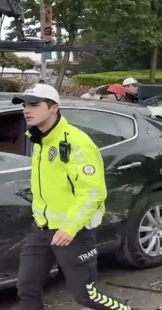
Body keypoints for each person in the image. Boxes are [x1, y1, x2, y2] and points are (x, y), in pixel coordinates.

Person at [11, 84, 134, 310]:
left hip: (73, 232)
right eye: (25, 105)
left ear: (54, 108)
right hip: (41, 228)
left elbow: (93, 191)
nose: (27, 110)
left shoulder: (76, 142)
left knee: (85, 296)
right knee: (27, 287)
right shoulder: (39, 138)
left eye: (34, 104)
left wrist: (70, 227)